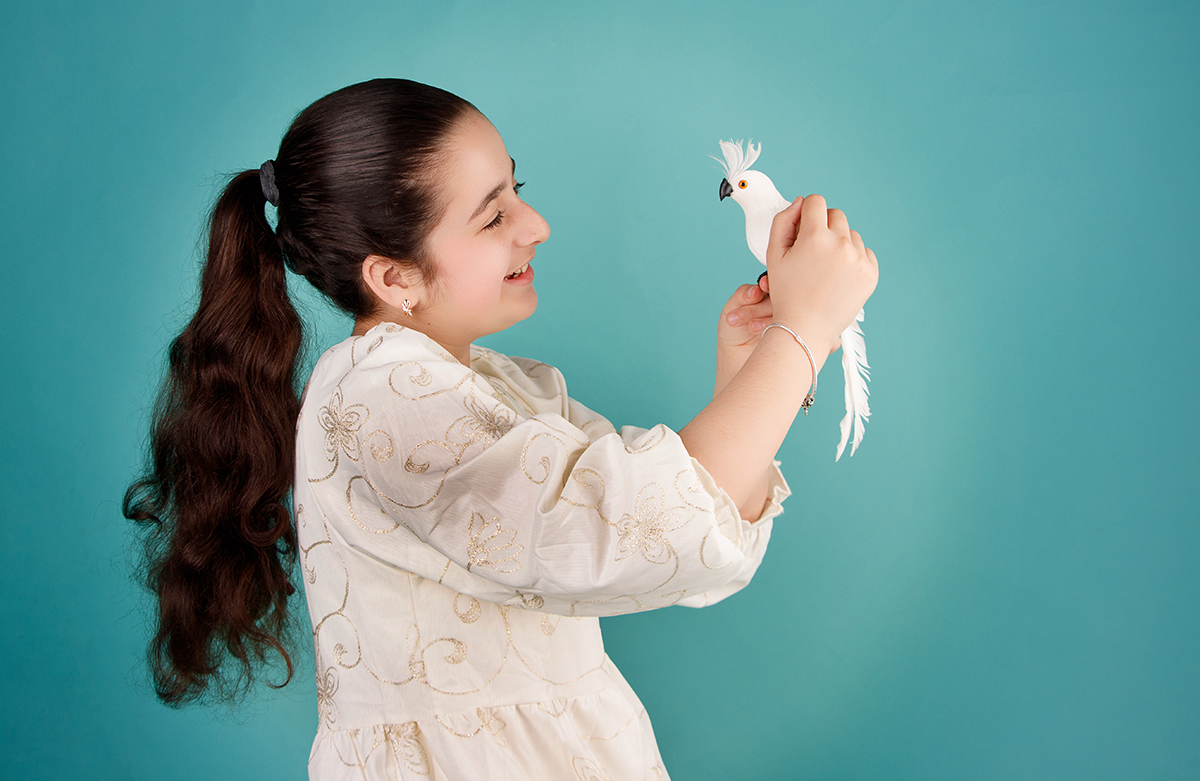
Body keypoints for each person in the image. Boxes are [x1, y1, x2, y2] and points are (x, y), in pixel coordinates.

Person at [124, 78, 877, 780]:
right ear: (394, 277)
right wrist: (802, 336)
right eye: (493, 215)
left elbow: (674, 542)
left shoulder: (499, 385)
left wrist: (751, 368)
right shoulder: (385, 398)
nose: (536, 225)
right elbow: (631, 530)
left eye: (519, 189)